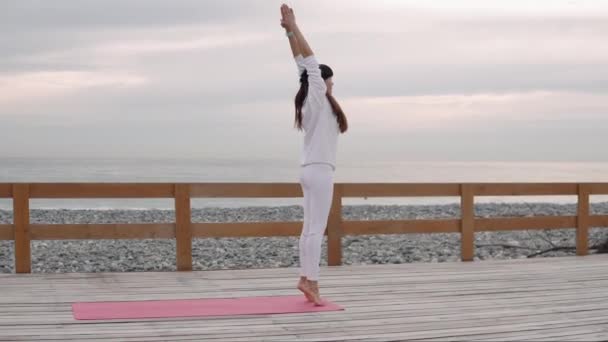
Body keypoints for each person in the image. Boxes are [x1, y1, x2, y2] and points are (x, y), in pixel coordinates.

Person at [280, 3, 348, 306]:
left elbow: (301, 65)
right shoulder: (318, 98)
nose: (332, 83)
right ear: (322, 82)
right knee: (315, 229)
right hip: (320, 171)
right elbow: (309, 62)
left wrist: (289, 34)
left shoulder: (310, 101)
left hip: (309, 169)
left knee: (309, 229)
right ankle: (313, 282)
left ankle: (305, 278)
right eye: (329, 79)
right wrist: (295, 26)